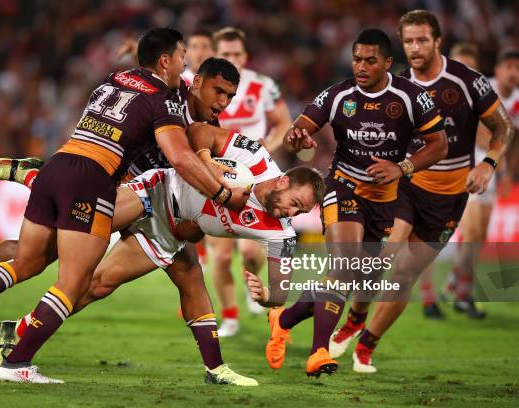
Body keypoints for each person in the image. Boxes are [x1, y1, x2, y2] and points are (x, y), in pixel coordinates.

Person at [0, 29, 249, 384]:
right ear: (193, 79)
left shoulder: (124, 81)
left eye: (230, 96)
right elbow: (181, 157)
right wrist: (223, 195)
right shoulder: (169, 97)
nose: (223, 102)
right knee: (73, 279)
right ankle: (16, 354)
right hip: (114, 186)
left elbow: (144, 100)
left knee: (64, 267)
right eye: (217, 91)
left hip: (85, 172)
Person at [0, 122, 323, 386]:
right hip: (157, 189)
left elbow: (281, 289)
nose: (290, 214)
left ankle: (19, 331)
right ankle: (37, 177)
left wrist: (267, 296)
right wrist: (209, 163)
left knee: (98, 285)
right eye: (294, 203)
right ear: (281, 182)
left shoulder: (281, 232)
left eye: (300, 211)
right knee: (76, 233)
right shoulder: (255, 159)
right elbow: (198, 132)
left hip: (171, 231)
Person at [326, 10, 513, 373]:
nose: (415, 47)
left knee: (406, 274)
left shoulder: (465, 81)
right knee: (382, 257)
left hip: (450, 194)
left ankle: (366, 345)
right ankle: (355, 316)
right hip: (407, 184)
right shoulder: (393, 86)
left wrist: (488, 163)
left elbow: (503, 125)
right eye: (408, 40)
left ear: (437, 41)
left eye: (422, 40)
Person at [263, 28, 448, 378]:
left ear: (388, 62)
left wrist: (403, 167)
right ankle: (318, 351)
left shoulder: (410, 96)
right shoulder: (338, 94)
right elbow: (300, 128)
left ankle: (283, 318)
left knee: (361, 278)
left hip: (386, 199)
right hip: (343, 187)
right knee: (344, 266)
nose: (361, 66)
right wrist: (296, 136)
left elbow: (439, 144)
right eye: (356, 59)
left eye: (370, 60)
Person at [420, 46, 519, 319]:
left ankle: (455, 286)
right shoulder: (435, 92)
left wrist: (505, 169)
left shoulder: (482, 91)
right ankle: (440, 294)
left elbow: (510, 136)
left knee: (476, 236)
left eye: (470, 68)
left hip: (484, 166)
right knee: (438, 233)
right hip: (453, 168)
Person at [207, 27, 293, 337]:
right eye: (226, 54)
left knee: (252, 253)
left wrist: (263, 150)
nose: (233, 59)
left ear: (246, 56)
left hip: (255, 178)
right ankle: (229, 317)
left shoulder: (263, 86)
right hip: (215, 176)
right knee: (222, 254)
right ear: (215, 55)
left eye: (237, 54)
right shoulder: (203, 87)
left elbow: (284, 122)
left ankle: (250, 285)